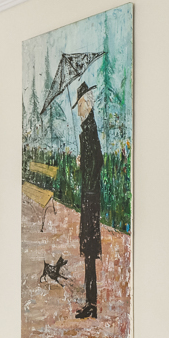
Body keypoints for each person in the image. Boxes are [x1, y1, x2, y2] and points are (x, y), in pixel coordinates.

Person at [72, 81, 102, 319]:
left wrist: (85, 169)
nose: (79, 109)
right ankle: (90, 302)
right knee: (88, 249)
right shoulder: (87, 129)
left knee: (89, 249)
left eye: (80, 104)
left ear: (87, 103)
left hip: (90, 198)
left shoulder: (89, 129)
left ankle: (91, 303)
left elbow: (98, 160)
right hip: (89, 196)